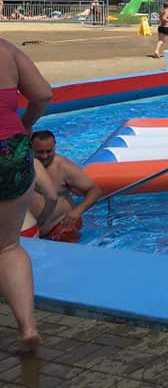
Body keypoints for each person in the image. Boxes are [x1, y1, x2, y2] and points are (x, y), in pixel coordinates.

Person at [0, 38, 52, 353]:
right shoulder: (6, 51)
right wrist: (25, 123)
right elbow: (42, 94)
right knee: (7, 246)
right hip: (11, 151)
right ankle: (28, 328)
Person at [30, 131, 101, 240]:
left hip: (62, 227)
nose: (45, 156)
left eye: (49, 151)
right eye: (39, 152)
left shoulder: (63, 167)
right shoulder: (24, 166)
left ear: (54, 147)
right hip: (35, 232)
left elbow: (94, 190)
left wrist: (77, 211)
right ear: (30, 148)